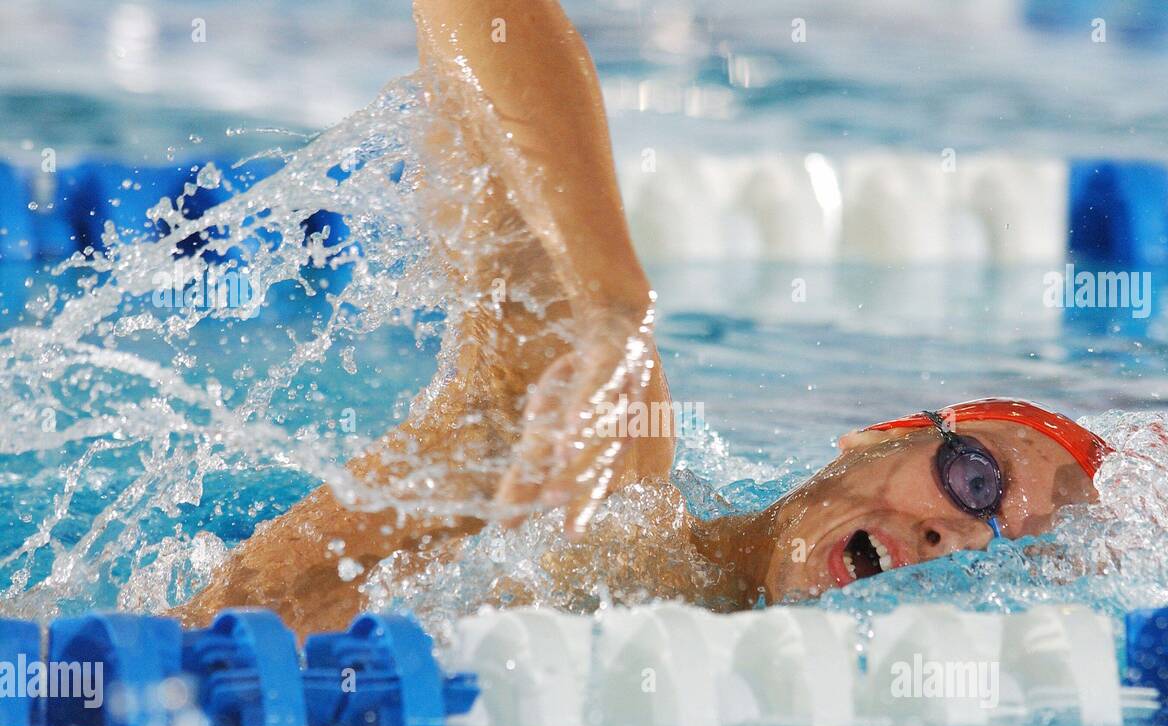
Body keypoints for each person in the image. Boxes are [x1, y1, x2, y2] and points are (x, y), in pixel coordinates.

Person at [175, 0, 1109, 638]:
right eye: (976, 479)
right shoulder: (602, 468)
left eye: (1002, 559)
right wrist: (610, 304)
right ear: (877, 437)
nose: (957, 541)